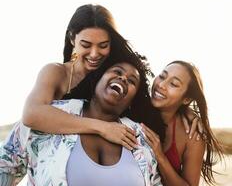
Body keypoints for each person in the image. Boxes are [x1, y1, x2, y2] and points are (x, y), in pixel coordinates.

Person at [0, 51, 165, 186]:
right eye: (117, 71)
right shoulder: (48, 115)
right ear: (97, 79)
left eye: (132, 81)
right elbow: (5, 166)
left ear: (132, 100)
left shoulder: (141, 139)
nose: (123, 79)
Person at [22, 4, 139, 150]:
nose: (94, 54)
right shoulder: (56, 72)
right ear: (72, 39)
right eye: (86, 45)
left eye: (103, 45)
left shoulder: (113, 76)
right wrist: (103, 128)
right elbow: (31, 113)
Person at [142, 60, 224, 186]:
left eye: (173, 84)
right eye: (162, 76)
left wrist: (160, 157)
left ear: (187, 99)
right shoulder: (134, 107)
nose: (161, 85)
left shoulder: (192, 135)